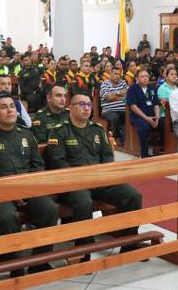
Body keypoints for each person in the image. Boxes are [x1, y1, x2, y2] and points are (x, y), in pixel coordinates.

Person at [44, 93, 143, 254]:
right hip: (73, 183)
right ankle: (84, 248)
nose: (86, 108)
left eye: (89, 104)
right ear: (71, 108)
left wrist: (102, 175)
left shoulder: (97, 129)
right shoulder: (60, 132)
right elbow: (58, 162)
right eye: (81, 104)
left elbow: (107, 155)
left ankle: (129, 242)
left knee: (133, 196)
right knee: (83, 203)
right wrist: (82, 178)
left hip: (99, 180)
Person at [0, 94, 58, 275]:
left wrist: (26, 189)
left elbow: (37, 165)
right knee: (6, 216)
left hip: (27, 190)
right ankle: (14, 265)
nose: (10, 110)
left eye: (12, 106)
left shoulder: (25, 134)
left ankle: (39, 261)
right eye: (4, 107)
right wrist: (11, 192)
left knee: (49, 208)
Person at [127, 69, 162, 157]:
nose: (145, 78)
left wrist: (157, 118)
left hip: (152, 116)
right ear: (137, 78)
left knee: (164, 122)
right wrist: (147, 118)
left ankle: (160, 149)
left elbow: (156, 104)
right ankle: (144, 154)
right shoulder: (132, 89)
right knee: (144, 125)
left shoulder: (152, 88)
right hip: (138, 117)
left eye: (147, 76)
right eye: (142, 77)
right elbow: (133, 106)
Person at [99, 67, 128, 143]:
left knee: (132, 116)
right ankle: (117, 138)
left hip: (123, 110)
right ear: (110, 74)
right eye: (115, 74)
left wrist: (114, 95)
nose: (118, 76)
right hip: (109, 110)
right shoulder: (104, 84)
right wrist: (119, 93)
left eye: (119, 74)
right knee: (115, 118)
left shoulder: (123, 83)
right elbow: (108, 98)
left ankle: (128, 140)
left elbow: (128, 94)